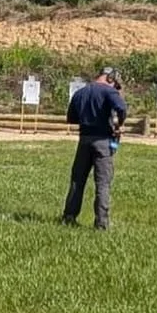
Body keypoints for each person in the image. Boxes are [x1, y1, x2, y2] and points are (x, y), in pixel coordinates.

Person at [62, 67, 128, 231]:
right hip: (103, 141)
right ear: (111, 78)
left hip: (83, 140)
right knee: (103, 184)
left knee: (77, 181)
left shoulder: (80, 92)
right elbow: (121, 108)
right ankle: (101, 223)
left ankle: (69, 217)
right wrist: (118, 124)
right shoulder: (109, 92)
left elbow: (71, 118)